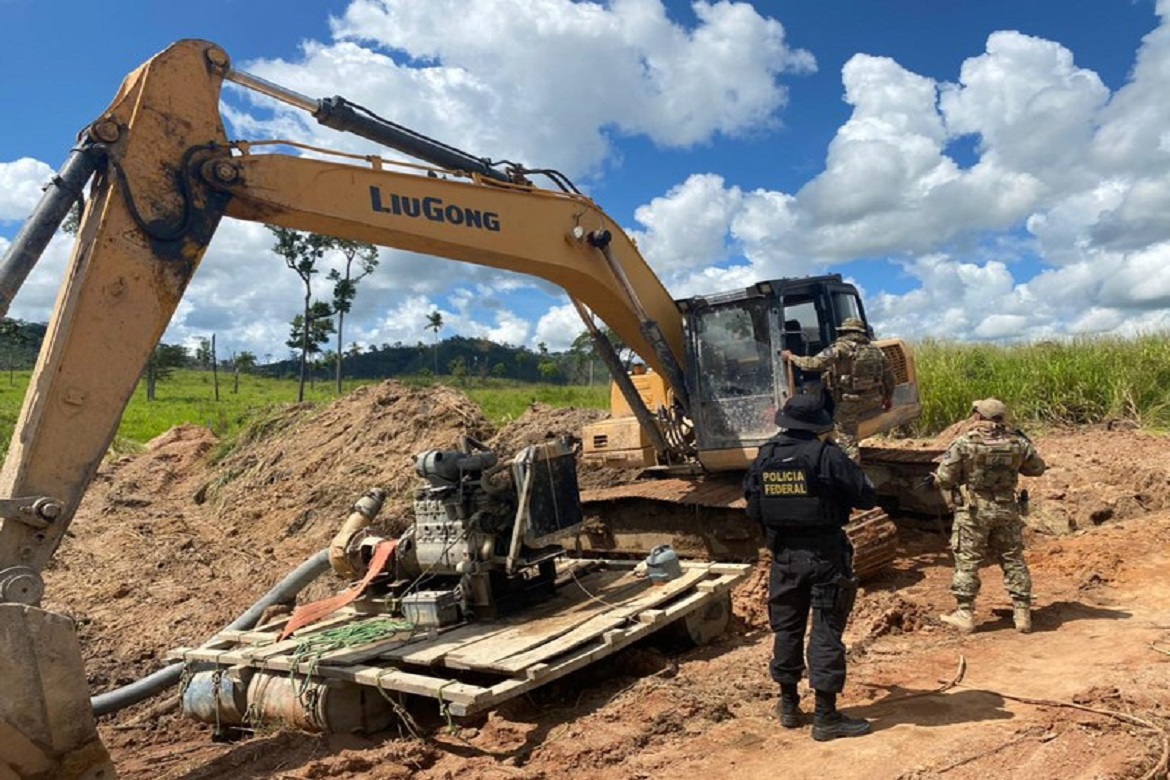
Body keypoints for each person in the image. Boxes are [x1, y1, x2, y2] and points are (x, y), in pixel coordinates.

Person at [743, 394, 878, 741]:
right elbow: (866, 496)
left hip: (784, 557)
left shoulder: (765, 457)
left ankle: (788, 705)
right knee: (825, 631)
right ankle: (826, 717)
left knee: (786, 630)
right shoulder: (826, 455)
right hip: (825, 556)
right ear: (817, 425)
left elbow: (754, 507)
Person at [934, 398, 1047, 634]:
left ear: (978, 417)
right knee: (1013, 559)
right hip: (1007, 508)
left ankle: (965, 614)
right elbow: (1036, 468)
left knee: (967, 561)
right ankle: (1022, 613)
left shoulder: (964, 443)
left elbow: (945, 478)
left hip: (974, 511)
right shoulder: (1018, 442)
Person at [781, 317, 896, 463]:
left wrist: (791, 357)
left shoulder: (841, 348)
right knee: (851, 432)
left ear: (844, 331)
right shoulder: (876, 350)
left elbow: (813, 364)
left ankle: (852, 472)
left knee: (847, 439)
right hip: (873, 398)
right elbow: (890, 377)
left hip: (849, 402)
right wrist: (888, 398)